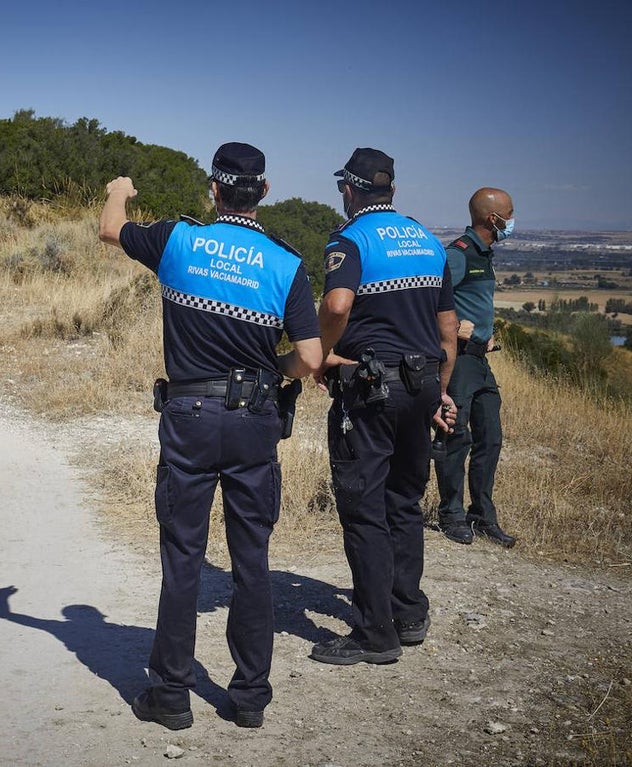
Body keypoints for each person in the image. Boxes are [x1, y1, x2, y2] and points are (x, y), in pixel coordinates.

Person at [98, 142, 322, 729]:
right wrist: (276, 373)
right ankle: (249, 698)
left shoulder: (177, 240)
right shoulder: (285, 263)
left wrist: (119, 188)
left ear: (212, 189)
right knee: (252, 561)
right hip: (255, 422)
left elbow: (110, 229)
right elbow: (311, 355)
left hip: (190, 418)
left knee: (183, 559)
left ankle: (170, 695)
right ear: (264, 192)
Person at [310, 148, 458, 666]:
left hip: (371, 388)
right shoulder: (425, 240)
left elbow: (336, 305)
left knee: (364, 507)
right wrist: (442, 391)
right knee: (404, 501)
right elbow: (447, 330)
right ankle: (409, 613)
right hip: (421, 382)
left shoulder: (349, 240)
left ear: (349, 191)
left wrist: (321, 354)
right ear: (391, 190)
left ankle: (376, 633)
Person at [434, 188, 517, 548]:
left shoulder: (486, 253)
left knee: (491, 437)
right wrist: (455, 328)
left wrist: (486, 336)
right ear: (492, 218)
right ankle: (450, 514)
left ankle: (483, 517)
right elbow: (430, 299)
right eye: (509, 213)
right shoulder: (458, 254)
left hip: (481, 359)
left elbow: (474, 303)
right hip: (461, 359)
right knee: (456, 436)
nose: (512, 220)